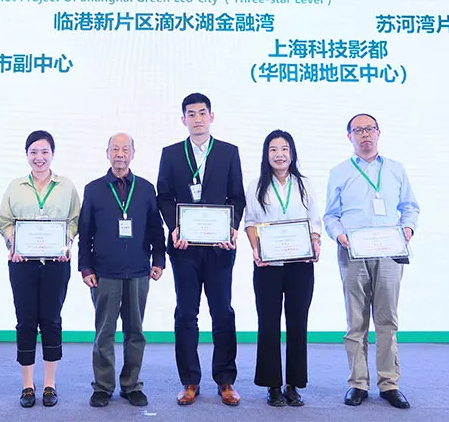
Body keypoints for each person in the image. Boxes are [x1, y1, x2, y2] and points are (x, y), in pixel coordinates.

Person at [323, 114, 420, 410]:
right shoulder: (339, 172)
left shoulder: (395, 169)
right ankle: (358, 383)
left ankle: (389, 383)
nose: (364, 135)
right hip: (353, 252)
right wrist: (340, 236)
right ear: (349, 136)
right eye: (358, 130)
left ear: (379, 133)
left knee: (387, 319)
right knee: (356, 321)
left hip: (390, 253)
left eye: (369, 129)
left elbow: (410, 207)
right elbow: (331, 215)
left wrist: (407, 230)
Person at [156, 92, 246, 407]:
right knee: (186, 313)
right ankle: (190, 381)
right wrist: (174, 226)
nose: (197, 119)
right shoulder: (171, 154)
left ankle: (225, 380)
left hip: (220, 248)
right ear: (183, 120)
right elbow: (164, 196)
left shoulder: (228, 152)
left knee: (222, 312)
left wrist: (231, 228)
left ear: (212, 116)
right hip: (184, 248)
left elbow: (237, 196)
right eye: (191, 114)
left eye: (202, 113)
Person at [78, 133, 167, 408]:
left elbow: (156, 228)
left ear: (133, 153)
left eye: (125, 149)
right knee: (104, 332)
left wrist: (159, 259)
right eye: (115, 149)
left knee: (135, 332)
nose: (120, 154)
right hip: (104, 272)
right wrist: (85, 267)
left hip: (139, 271)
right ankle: (103, 386)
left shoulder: (146, 189)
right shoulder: (94, 189)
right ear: (107, 153)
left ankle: (131, 385)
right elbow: (85, 232)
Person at [0, 130, 81, 408]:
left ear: (52, 154)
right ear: (27, 155)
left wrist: (66, 243)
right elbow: (5, 222)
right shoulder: (15, 186)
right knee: (25, 321)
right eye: (33, 152)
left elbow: (75, 220)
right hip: (22, 264)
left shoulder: (66, 186)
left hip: (56, 264)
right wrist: (13, 243)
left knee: (51, 320)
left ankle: (49, 384)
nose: (39, 157)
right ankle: (27, 385)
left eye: (44, 151)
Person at [243, 130, 322, 407]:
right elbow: (250, 222)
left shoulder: (304, 184)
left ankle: (293, 384)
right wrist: (256, 248)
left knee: (298, 323)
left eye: (284, 149)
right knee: (268, 324)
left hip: (300, 265)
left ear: (292, 153)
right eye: (273, 149)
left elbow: (314, 221)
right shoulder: (256, 185)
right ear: (266, 155)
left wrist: (315, 242)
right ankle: (273, 385)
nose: (279, 154)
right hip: (268, 266)